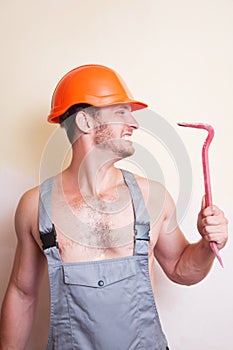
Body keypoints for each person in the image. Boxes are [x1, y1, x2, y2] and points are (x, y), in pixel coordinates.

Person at [0, 64, 228, 350]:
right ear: (85, 121)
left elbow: (182, 269)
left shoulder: (152, 197)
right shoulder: (34, 206)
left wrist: (208, 244)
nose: (134, 123)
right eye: (121, 112)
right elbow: (22, 294)